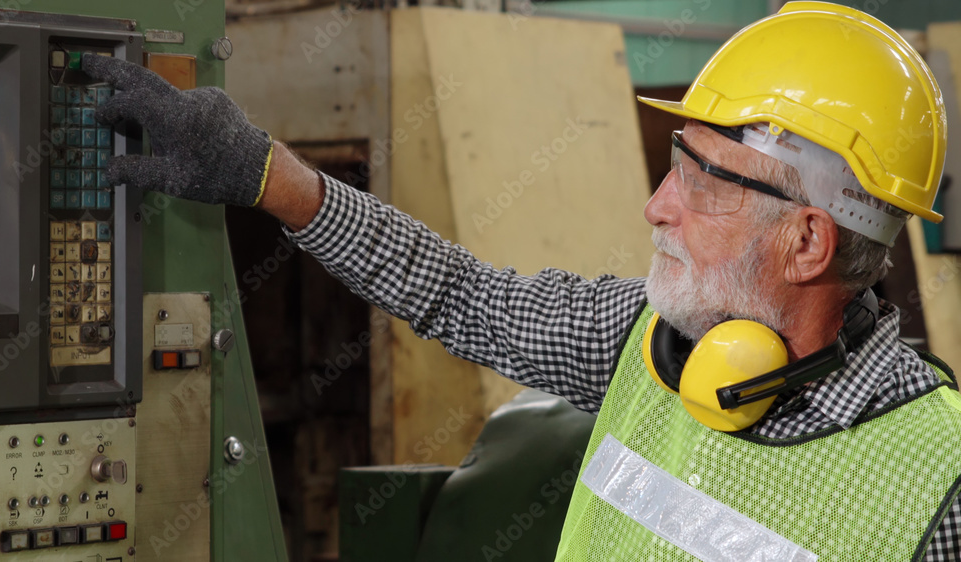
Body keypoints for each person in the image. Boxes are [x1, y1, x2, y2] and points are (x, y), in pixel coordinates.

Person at [82, 1, 961, 559]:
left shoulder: (938, 482)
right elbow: (459, 294)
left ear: (808, 242)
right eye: (672, 166)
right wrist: (261, 174)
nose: (657, 207)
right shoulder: (645, 347)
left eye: (699, 182)